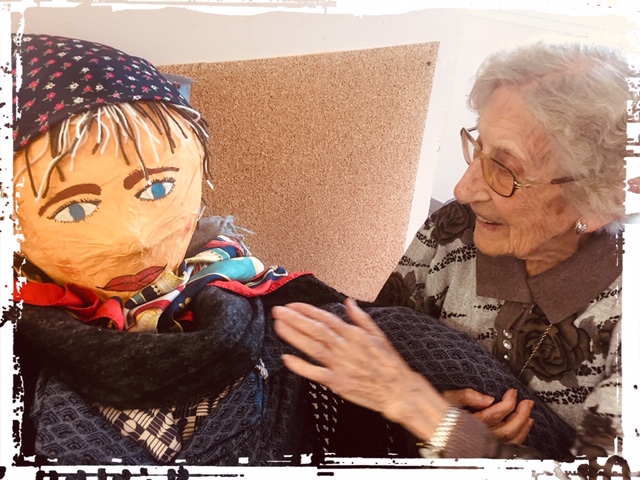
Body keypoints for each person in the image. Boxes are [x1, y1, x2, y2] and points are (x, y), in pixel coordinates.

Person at [273, 42, 631, 459]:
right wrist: (433, 420)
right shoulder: (454, 230)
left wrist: (427, 415)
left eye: (506, 169)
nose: (463, 190)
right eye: (479, 148)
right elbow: (382, 355)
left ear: (601, 201)